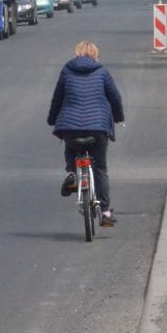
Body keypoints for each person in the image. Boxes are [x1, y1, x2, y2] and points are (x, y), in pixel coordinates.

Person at [46, 40, 124, 227]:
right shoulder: (102, 72)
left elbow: (57, 99)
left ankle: (72, 172)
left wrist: (52, 119)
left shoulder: (66, 71)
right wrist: (119, 117)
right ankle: (105, 213)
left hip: (71, 129)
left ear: (77, 54)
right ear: (95, 54)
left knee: (71, 148)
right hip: (97, 130)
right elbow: (115, 97)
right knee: (100, 169)